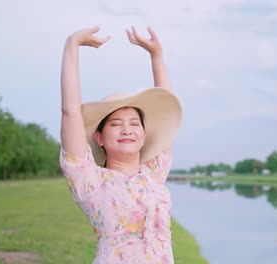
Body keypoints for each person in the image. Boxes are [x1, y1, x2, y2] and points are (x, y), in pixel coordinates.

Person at [59, 25, 182, 264]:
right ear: (99, 137)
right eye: (116, 124)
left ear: (144, 135)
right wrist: (72, 45)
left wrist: (157, 56)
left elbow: (168, 110)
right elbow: (70, 111)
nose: (127, 129)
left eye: (135, 123)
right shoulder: (90, 181)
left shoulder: (153, 174)